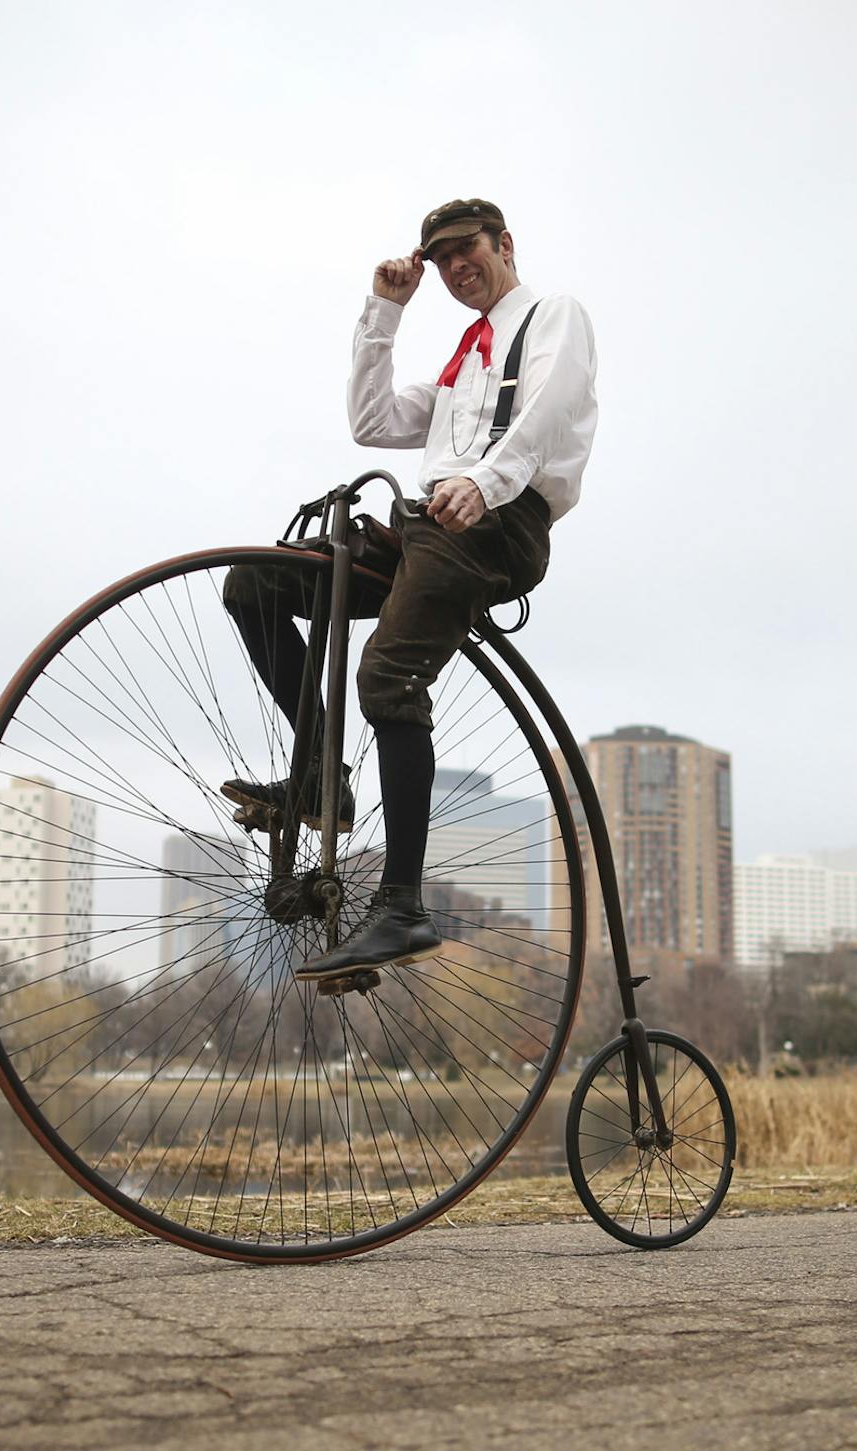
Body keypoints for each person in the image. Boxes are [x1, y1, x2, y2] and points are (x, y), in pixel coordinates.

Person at [220, 196, 599, 980]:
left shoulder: (552, 316)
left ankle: (402, 906)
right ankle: (322, 776)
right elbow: (371, 420)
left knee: (387, 674)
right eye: (442, 259)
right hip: (428, 523)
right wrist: (385, 314)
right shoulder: (463, 366)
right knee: (255, 584)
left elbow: (552, 407)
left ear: (505, 245)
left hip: (497, 523)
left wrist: (487, 484)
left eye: (470, 250)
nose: (458, 267)